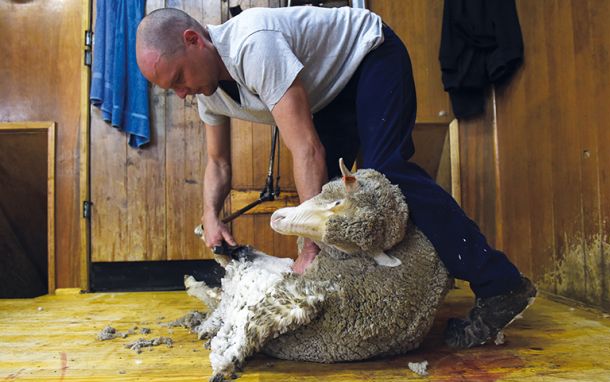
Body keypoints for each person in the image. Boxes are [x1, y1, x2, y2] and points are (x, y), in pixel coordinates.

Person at [135, 6, 537, 348]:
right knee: (333, 199)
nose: (183, 94)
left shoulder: (253, 43)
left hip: (368, 56)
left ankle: (498, 284)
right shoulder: (208, 91)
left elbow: (306, 148)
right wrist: (210, 214)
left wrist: (308, 250)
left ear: (193, 40)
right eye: (172, 89)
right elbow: (218, 163)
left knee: (386, 177)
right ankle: (361, 309)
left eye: (179, 80)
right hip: (328, 96)